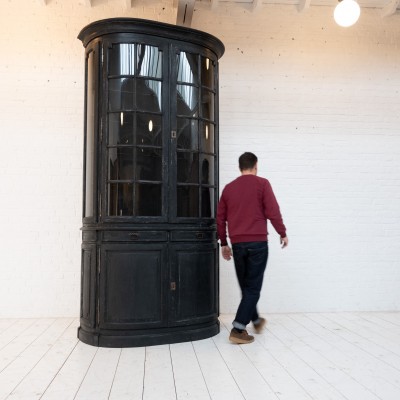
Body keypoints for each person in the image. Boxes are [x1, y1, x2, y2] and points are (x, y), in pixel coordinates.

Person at [217, 152, 288, 344]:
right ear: (255, 166)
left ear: (240, 167)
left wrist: (224, 243)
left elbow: (220, 218)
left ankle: (255, 320)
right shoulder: (262, 184)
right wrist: (282, 232)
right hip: (257, 243)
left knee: (247, 286)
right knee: (253, 287)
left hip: (238, 244)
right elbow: (273, 211)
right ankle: (238, 328)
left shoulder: (229, 189)